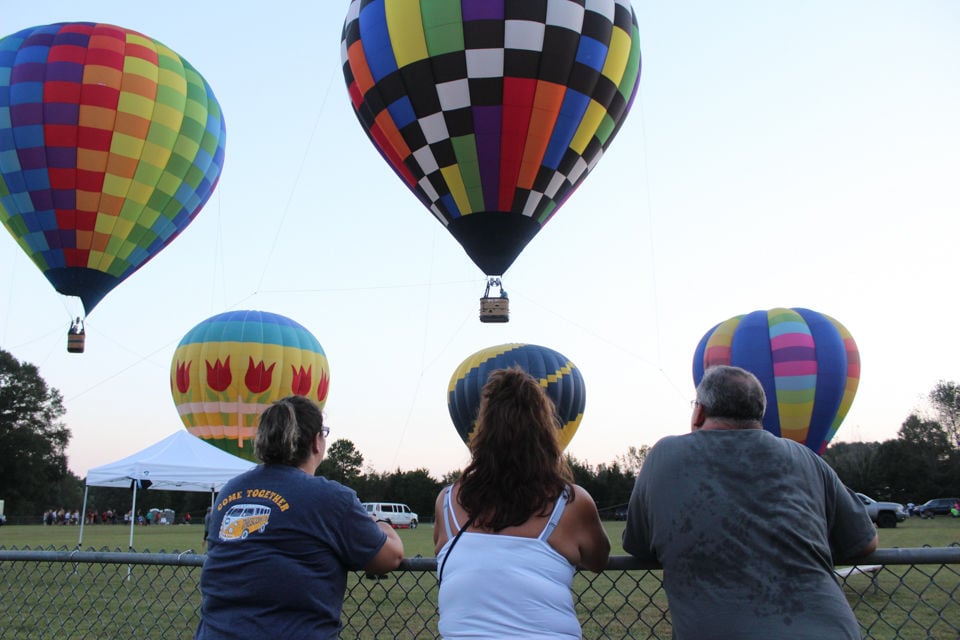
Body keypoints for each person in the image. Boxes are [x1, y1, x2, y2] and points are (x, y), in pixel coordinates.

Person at [622, 365, 878, 640]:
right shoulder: (805, 458)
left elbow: (638, 544)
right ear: (760, 413)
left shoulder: (664, 455)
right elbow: (864, 542)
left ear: (700, 411)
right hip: (830, 630)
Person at [195, 395, 403, 640]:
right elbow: (389, 558)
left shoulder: (230, 491)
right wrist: (383, 526)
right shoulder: (330, 497)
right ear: (317, 441)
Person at [433, 367, 610, 639]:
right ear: (545, 431)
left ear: (482, 429)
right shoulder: (573, 502)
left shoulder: (447, 503)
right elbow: (598, 560)